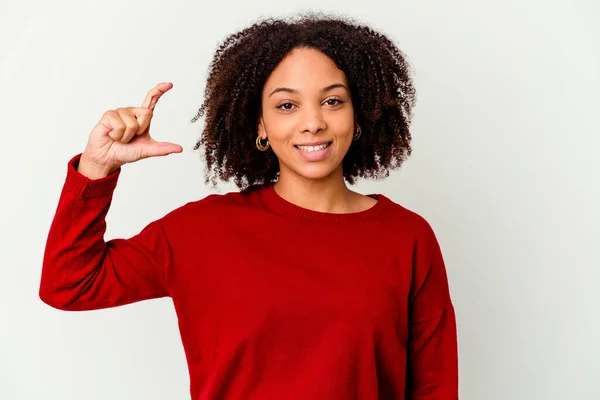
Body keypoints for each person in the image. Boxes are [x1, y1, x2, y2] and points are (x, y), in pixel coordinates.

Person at [39, 13, 458, 400]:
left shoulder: (406, 237)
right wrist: (97, 167)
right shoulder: (201, 231)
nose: (313, 122)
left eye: (332, 100)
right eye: (286, 105)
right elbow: (69, 284)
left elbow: (434, 387)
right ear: (260, 123)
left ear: (358, 113)